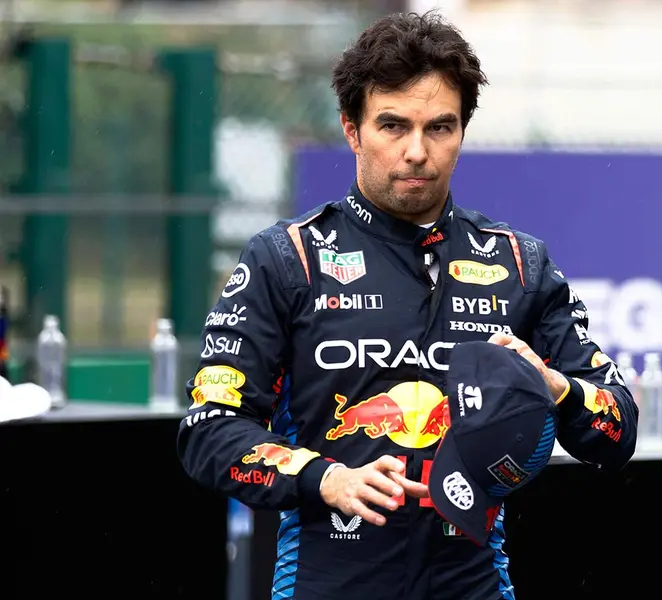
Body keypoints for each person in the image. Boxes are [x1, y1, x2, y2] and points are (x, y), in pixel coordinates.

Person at [177, 10, 638, 600]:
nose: (417, 151)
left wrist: (556, 389)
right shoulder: (286, 258)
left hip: (472, 582)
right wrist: (326, 478)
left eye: (439, 127)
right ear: (352, 130)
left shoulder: (520, 264)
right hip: (329, 581)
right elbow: (209, 431)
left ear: (462, 132)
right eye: (392, 126)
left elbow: (618, 430)